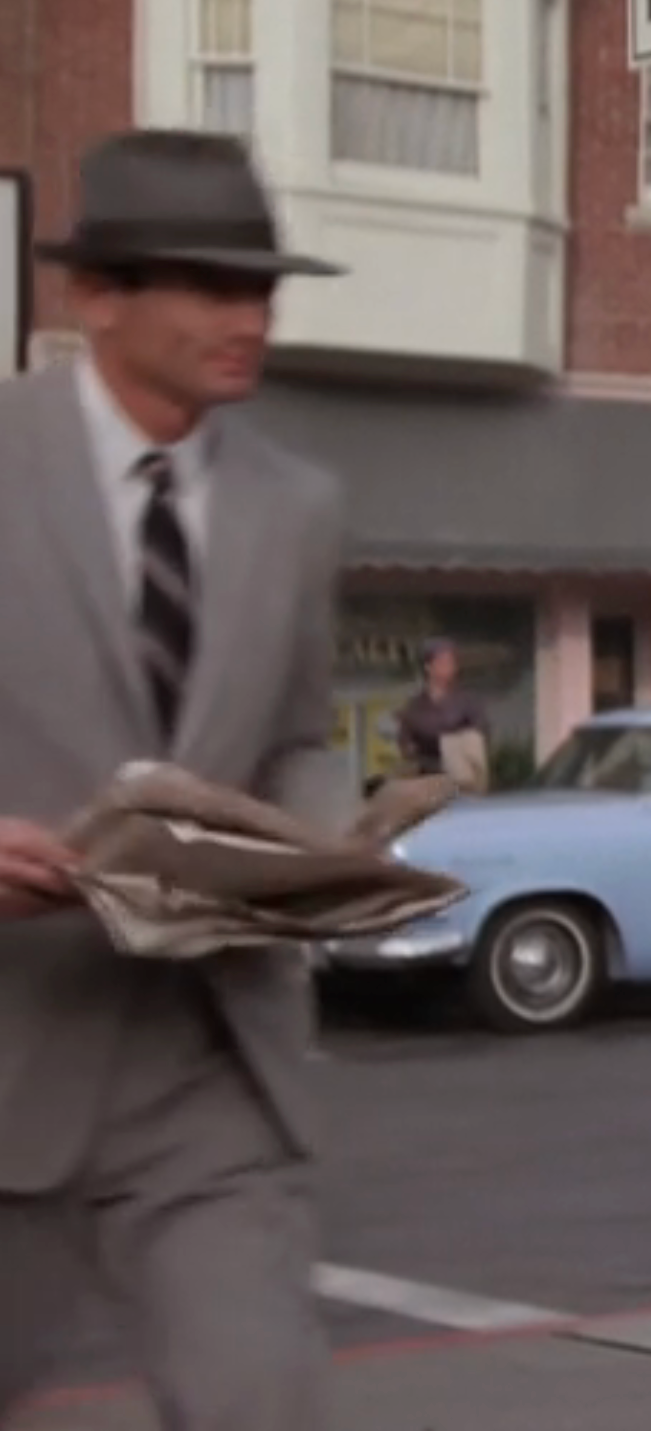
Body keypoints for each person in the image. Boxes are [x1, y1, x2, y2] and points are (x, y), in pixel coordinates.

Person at [0, 129, 351, 1429]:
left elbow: (299, 737)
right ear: (98, 296)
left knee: (257, 1398)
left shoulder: (296, 505)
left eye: (262, 288)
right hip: (12, 1039)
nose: (248, 317)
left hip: (208, 1064)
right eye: (210, 286)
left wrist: (325, 855)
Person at [394, 636, 489, 790]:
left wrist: (454, 745)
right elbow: (405, 740)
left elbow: (480, 731)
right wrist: (412, 752)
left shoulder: (467, 702)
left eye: (451, 663)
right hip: (426, 780)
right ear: (428, 667)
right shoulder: (415, 705)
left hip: (462, 779)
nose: (449, 667)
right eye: (442, 662)